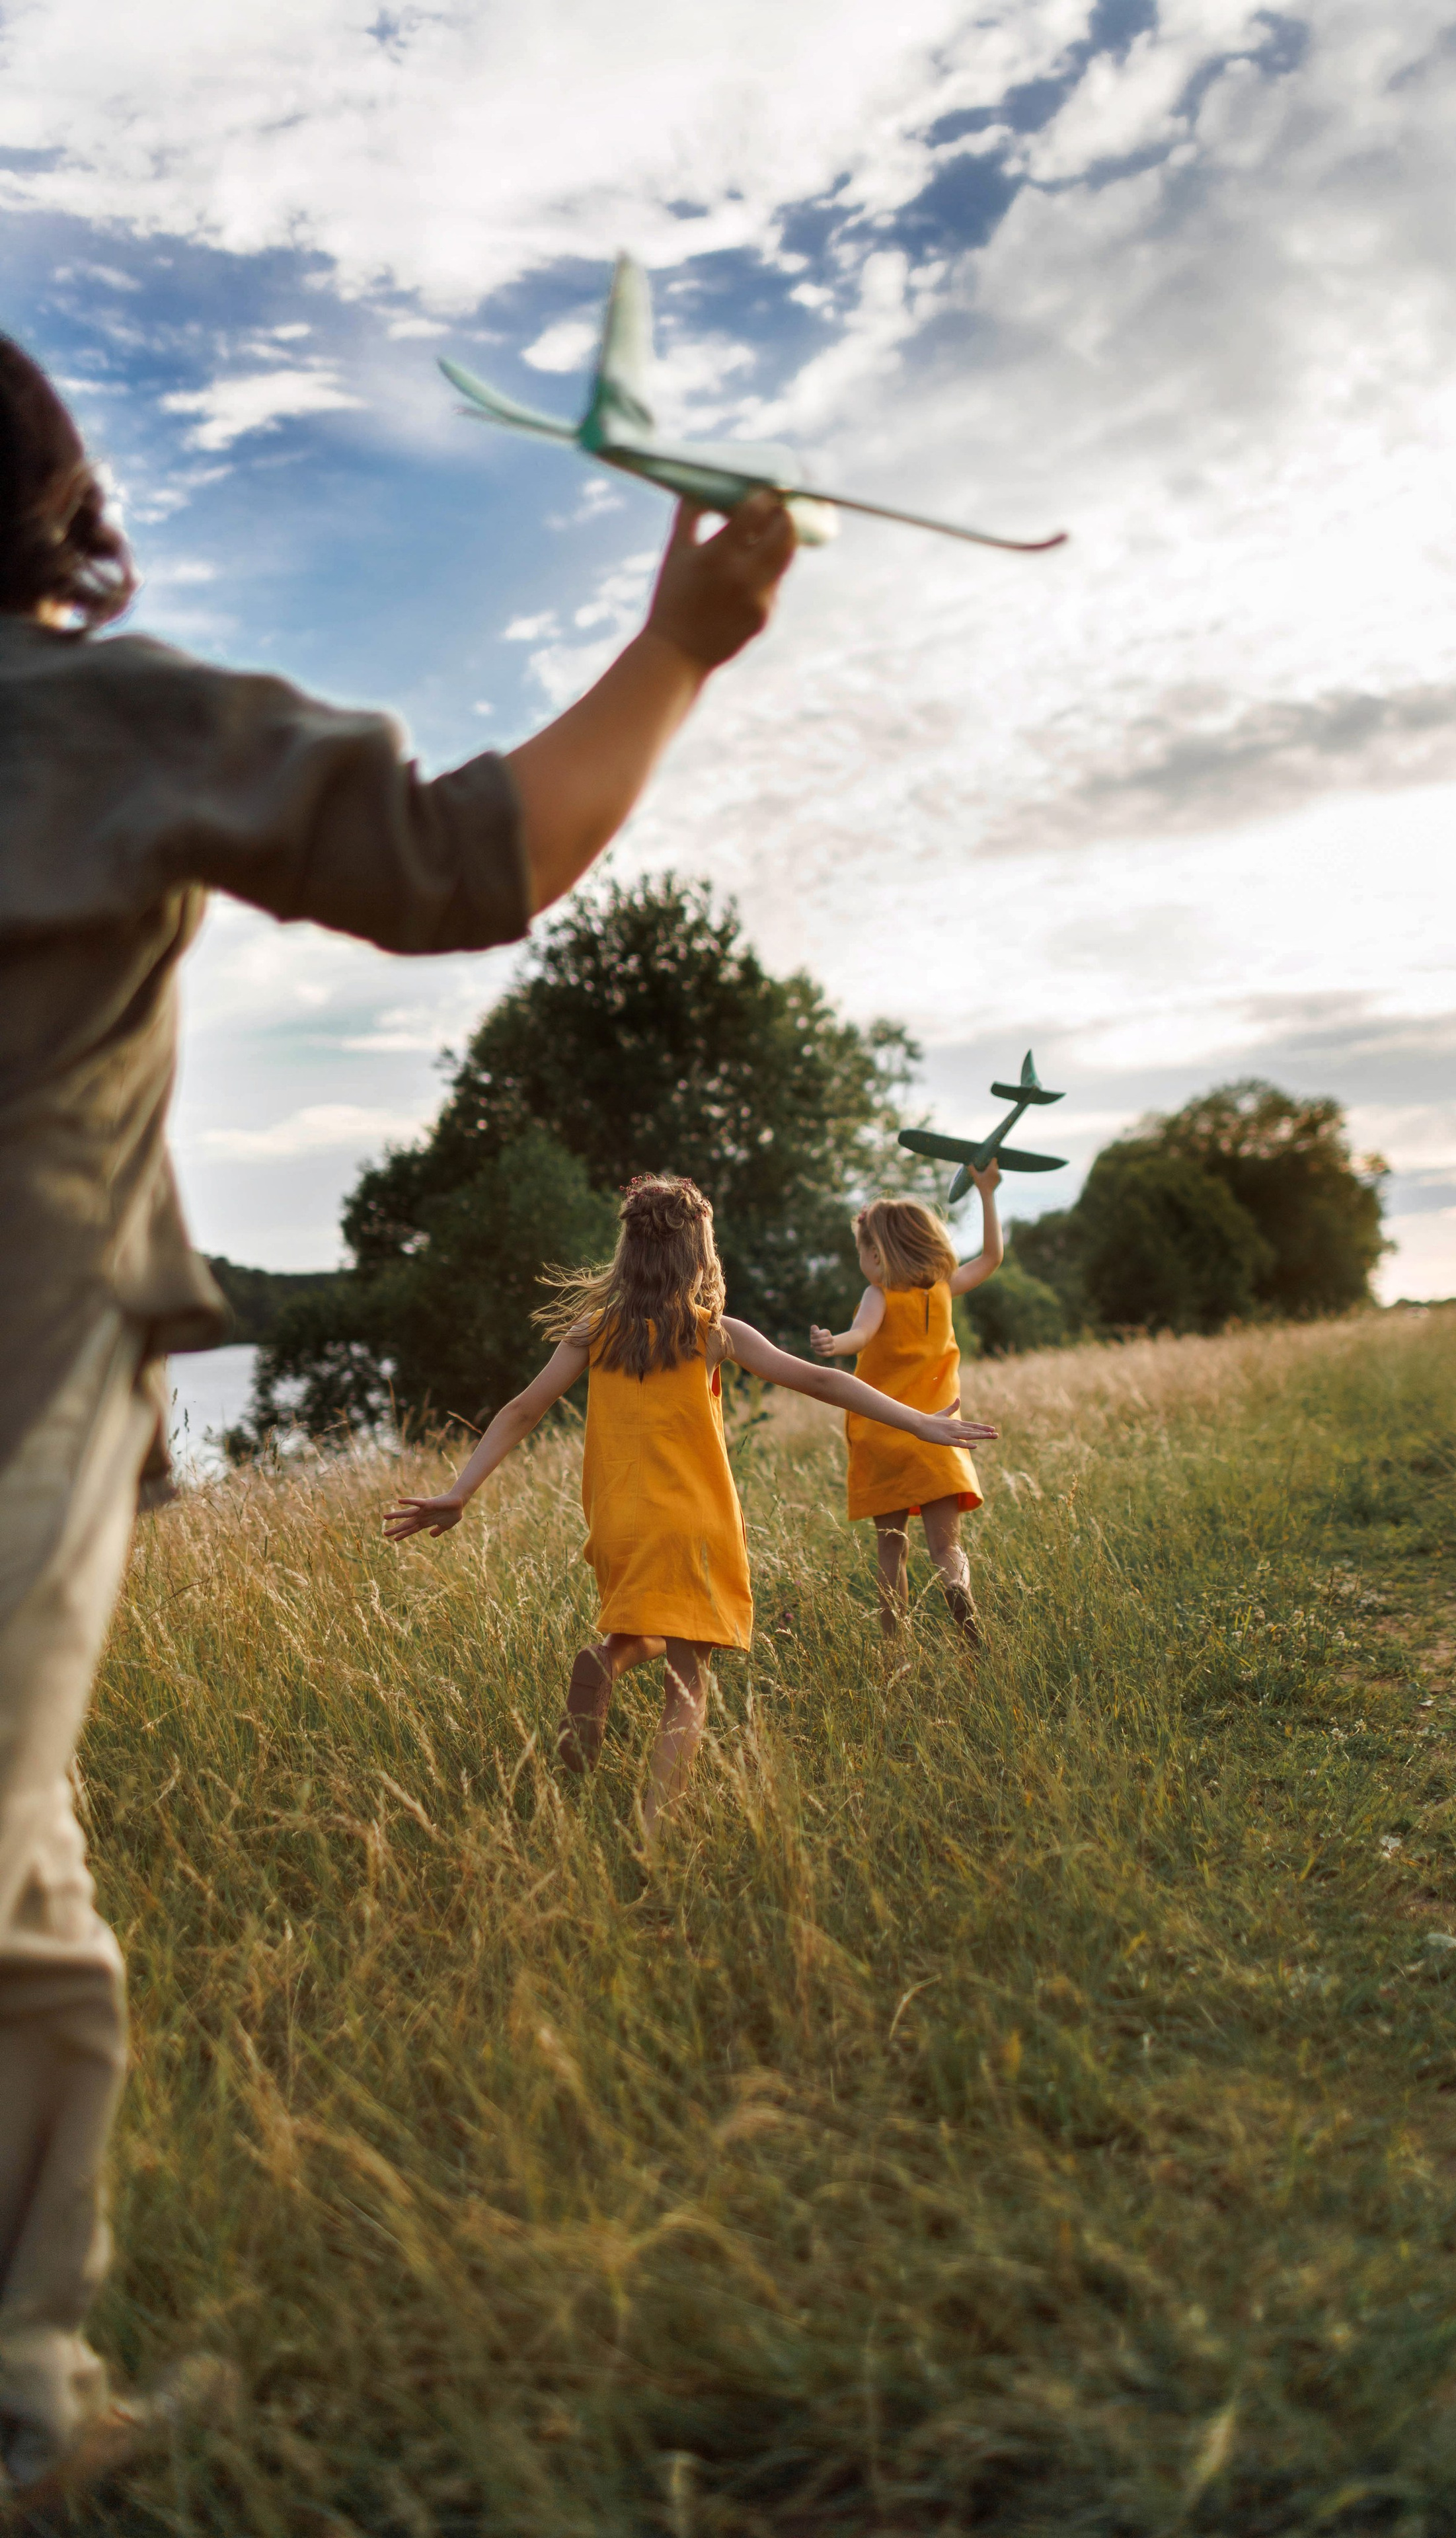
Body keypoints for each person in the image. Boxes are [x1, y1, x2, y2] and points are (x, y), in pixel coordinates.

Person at [0, 332, 796, 2505]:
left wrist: (460, 1478)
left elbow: (650, 1373)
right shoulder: (96, 717)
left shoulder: (680, 1335)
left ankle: (30, 2408)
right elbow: (469, 859)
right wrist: (678, 648)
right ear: (57, 513)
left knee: (36, 1904)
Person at [381, 1176, 999, 1838]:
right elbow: (820, 1378)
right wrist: (920, 1423)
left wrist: (460, 1492)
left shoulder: (593, 1330)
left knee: (651, 1619)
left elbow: (522, 1410)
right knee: (688, 1680)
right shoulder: (712, 1333)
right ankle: (655, 1832)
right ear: (700, 1256)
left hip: (618, 1519)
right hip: (697, 1520)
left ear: (628, 1252)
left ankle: (609, 1660)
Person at [810, 1163, 1003, 1645]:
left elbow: (861, 1334)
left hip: (884, 1435)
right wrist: (987, 1194)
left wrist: (836, 1344)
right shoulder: (942, 1289)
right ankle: (957, 1584)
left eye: (861, 1251)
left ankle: (895, 1650)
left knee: (890, 1550)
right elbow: (993, 1258)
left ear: (876, 1254)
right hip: (941, 1433)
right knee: (946, 1548)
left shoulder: (878, 1293)